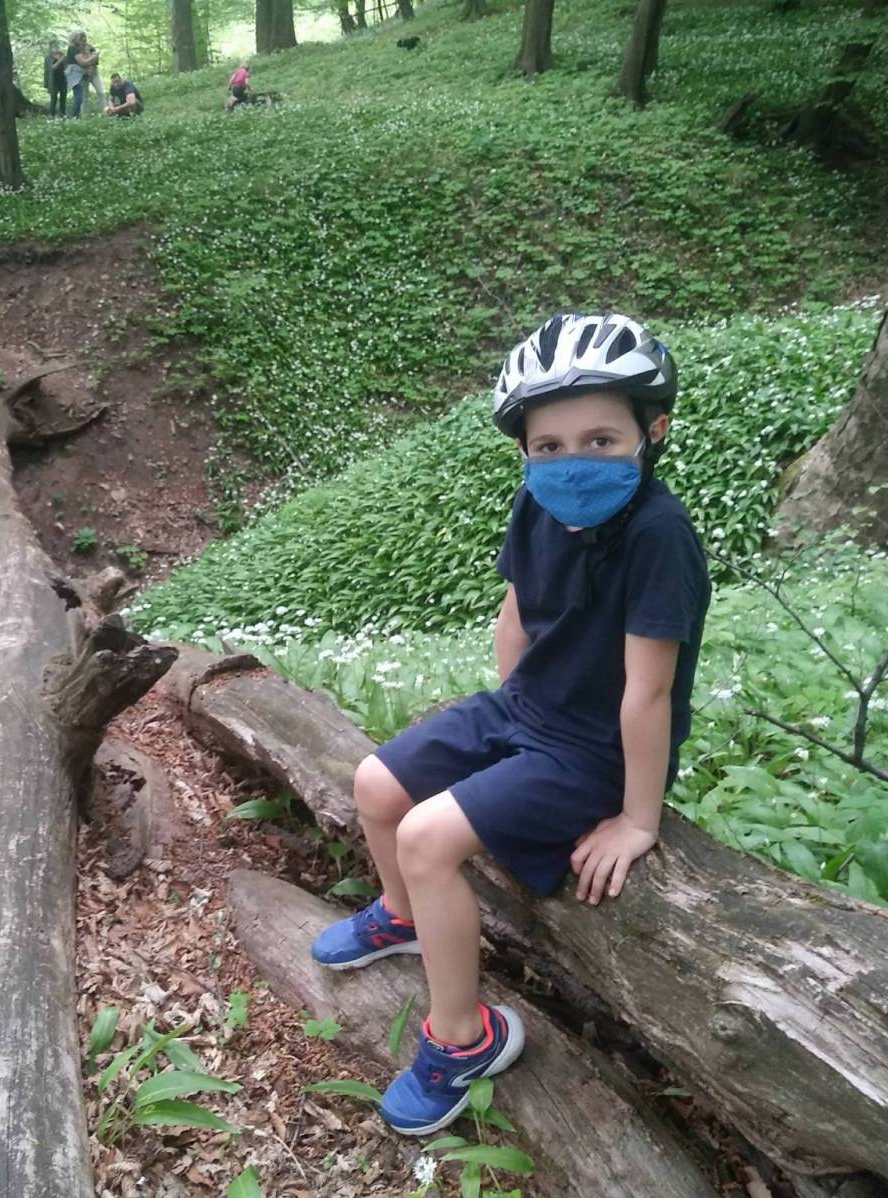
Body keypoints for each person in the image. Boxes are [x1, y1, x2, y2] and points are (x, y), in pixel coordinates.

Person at [309, 312, 710, 1137]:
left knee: (427, 838)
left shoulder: (659, 536)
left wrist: (638, 820)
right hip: (528, 709)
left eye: (600, 440)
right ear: (525, 450)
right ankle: (404, 916)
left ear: (654, 431)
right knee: (376, 784)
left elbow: (649, 694)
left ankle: (463, 1040)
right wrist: (504, 725)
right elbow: (515, 616)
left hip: (595, 749)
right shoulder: (536, 503)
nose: (572, 462)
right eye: (549, 446)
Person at [65, 32, 97, 118]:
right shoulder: (72, 48)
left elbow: (91, 61)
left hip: (81, 74)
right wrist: (92, 57)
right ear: (75, 39)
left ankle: (77, 116)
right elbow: (82, 62)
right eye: (79, 38)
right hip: (75, 75)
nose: (82, 40)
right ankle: (72, 116)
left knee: (81, 97)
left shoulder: (81, 48)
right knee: (79, 97)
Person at [44, 40, 68, 118]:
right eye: (54, 46)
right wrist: (60, 60)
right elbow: (52, 68)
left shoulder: (63, 55)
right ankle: (51, 115)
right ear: (50, 48)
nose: (56, 48)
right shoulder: (48, 58)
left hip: (63, 79)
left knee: (63, 98)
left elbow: (67, 67)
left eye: (57, 46)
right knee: (54, 98)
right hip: (53, 80)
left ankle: (62, 115)